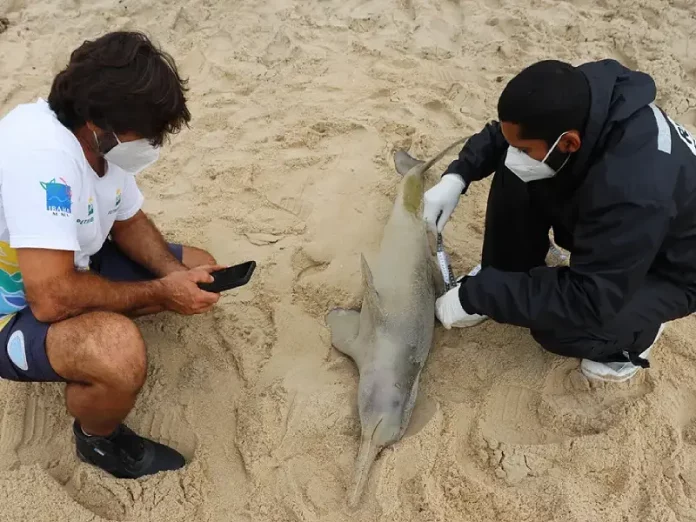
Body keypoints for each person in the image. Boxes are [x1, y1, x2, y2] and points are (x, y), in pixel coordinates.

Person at [0, 31, 224, 478]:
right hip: (14, 306)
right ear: (98, 125)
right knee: (118, 352)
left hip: (73, 262)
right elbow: (51, 299)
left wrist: (173, 275)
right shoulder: (43, 158)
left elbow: (129, 220)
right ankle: (97, 440)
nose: (152, 144)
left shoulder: (99, 144)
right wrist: (159, 292)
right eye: (145, 133)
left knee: (199, 265)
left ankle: (151, 295)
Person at [427, 59, 696, 383]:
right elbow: (508, 133)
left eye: (524, 148)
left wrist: (479, 294)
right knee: (517, 172)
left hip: (673, 269)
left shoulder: (633, 191)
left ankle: (636, 336)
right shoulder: (580, 95)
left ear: (569, 143)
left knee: (560, 329)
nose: (516, 153)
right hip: (627, 223)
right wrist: (458, 175)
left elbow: (588, 300)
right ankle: (505, 272)